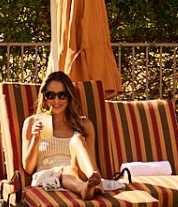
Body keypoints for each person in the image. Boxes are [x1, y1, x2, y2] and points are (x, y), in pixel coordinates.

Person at [19, 71, 114, 200]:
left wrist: (91, 173)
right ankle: (84, 189)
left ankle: (94, 181)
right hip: (50, 177)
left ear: (69, 97)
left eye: (62, 95)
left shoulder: (84, 125)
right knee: (65, 172)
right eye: (51, 95)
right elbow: (28, 168)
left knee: (77, 139)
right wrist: (36, 137)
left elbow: (90, 159)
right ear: (44, 97)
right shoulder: (32, 122)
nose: (56, 101)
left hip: (80, 173)